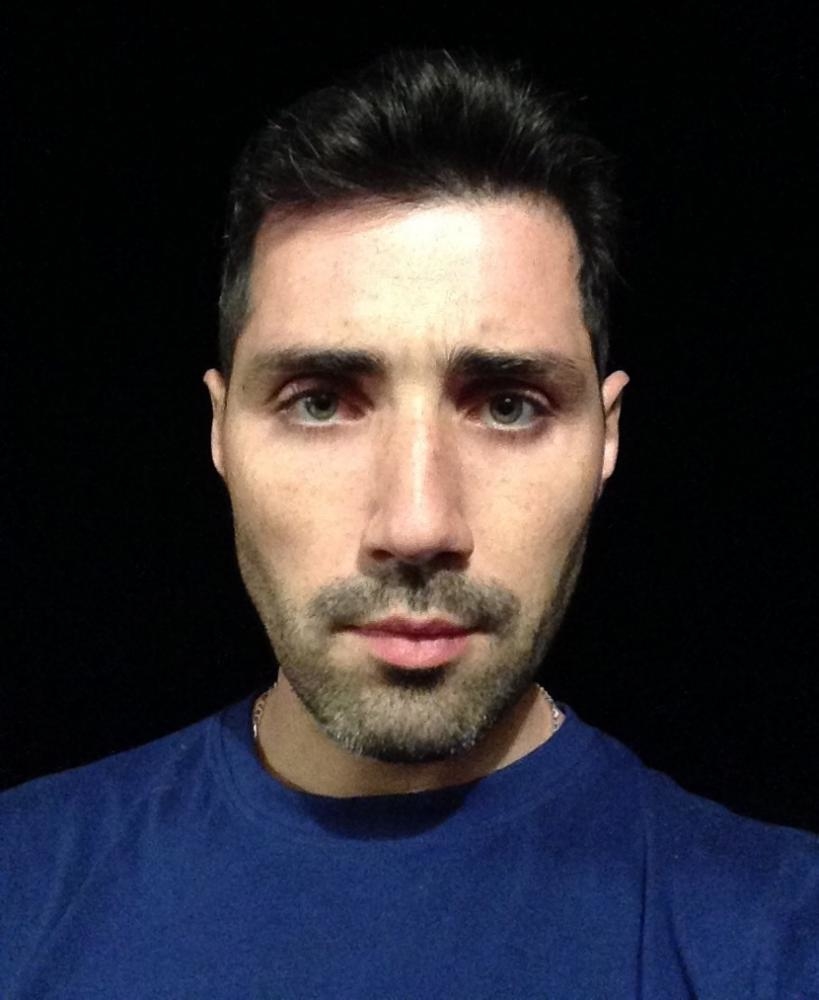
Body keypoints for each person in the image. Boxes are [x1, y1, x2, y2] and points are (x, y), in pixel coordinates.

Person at [1, 47, 817, 999]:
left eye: (508, 406)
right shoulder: (20, 886)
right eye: (320, 403)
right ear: (219, 432)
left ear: (607, 438)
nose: (419, 524)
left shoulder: (779, 936)